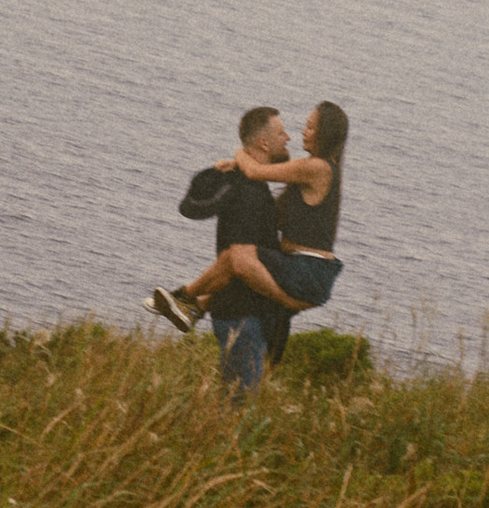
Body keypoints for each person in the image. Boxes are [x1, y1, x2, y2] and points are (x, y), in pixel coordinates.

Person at [149, 103, 348, 374]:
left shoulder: (318, 167)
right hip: (306, 269)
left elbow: (255, 171)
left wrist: (241, 154)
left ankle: (184, 296)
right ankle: (196, 306)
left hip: (308, 269)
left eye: (310, 126)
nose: (302, 132)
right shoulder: (314, 171)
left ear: (325, 133)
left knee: (237, 257)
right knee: (240, 263)